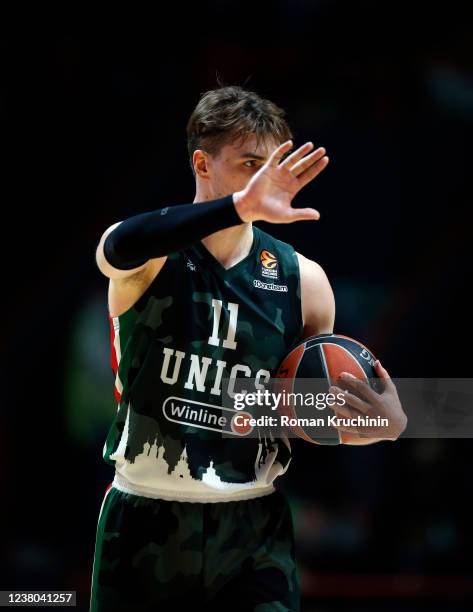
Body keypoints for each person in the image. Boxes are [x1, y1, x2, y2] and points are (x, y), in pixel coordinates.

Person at [90, 86, 406, 611]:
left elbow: (303, 411)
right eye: (249, 164)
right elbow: (114, 246)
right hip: (145, 518)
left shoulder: (305, 280)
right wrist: (237, 207)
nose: (263, 181)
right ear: (202, 163)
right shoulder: (149, 257)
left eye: (272, 166)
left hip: (253, 526)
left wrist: (384, 426)